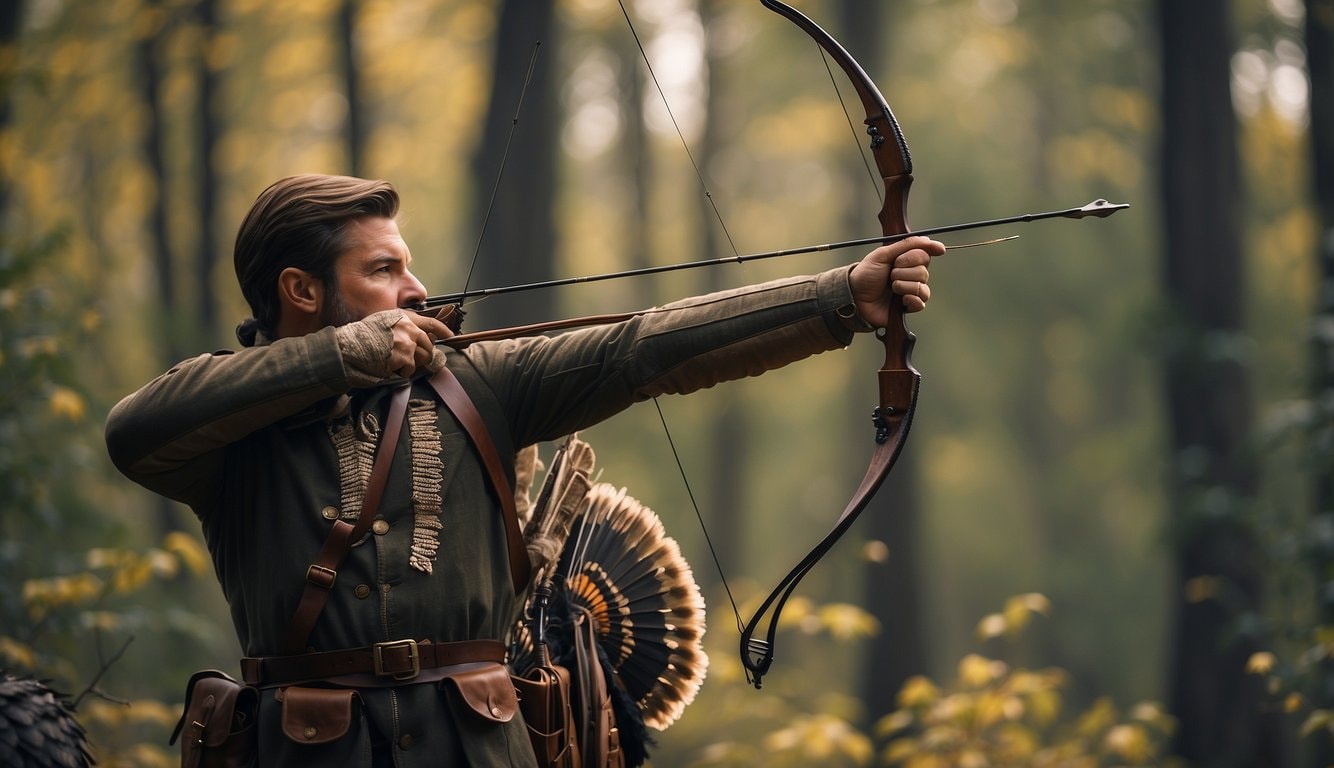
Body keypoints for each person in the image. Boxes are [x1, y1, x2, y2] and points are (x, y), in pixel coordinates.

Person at [104, 173, 939, 767]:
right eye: (384, 269)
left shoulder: (474, 386)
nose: (416, 288)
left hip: (476, 745)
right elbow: (133, 431)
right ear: (302, 290)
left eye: (407, 264)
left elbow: (639, 348)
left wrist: (839, 298)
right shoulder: (226, 429)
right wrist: (338, 358)